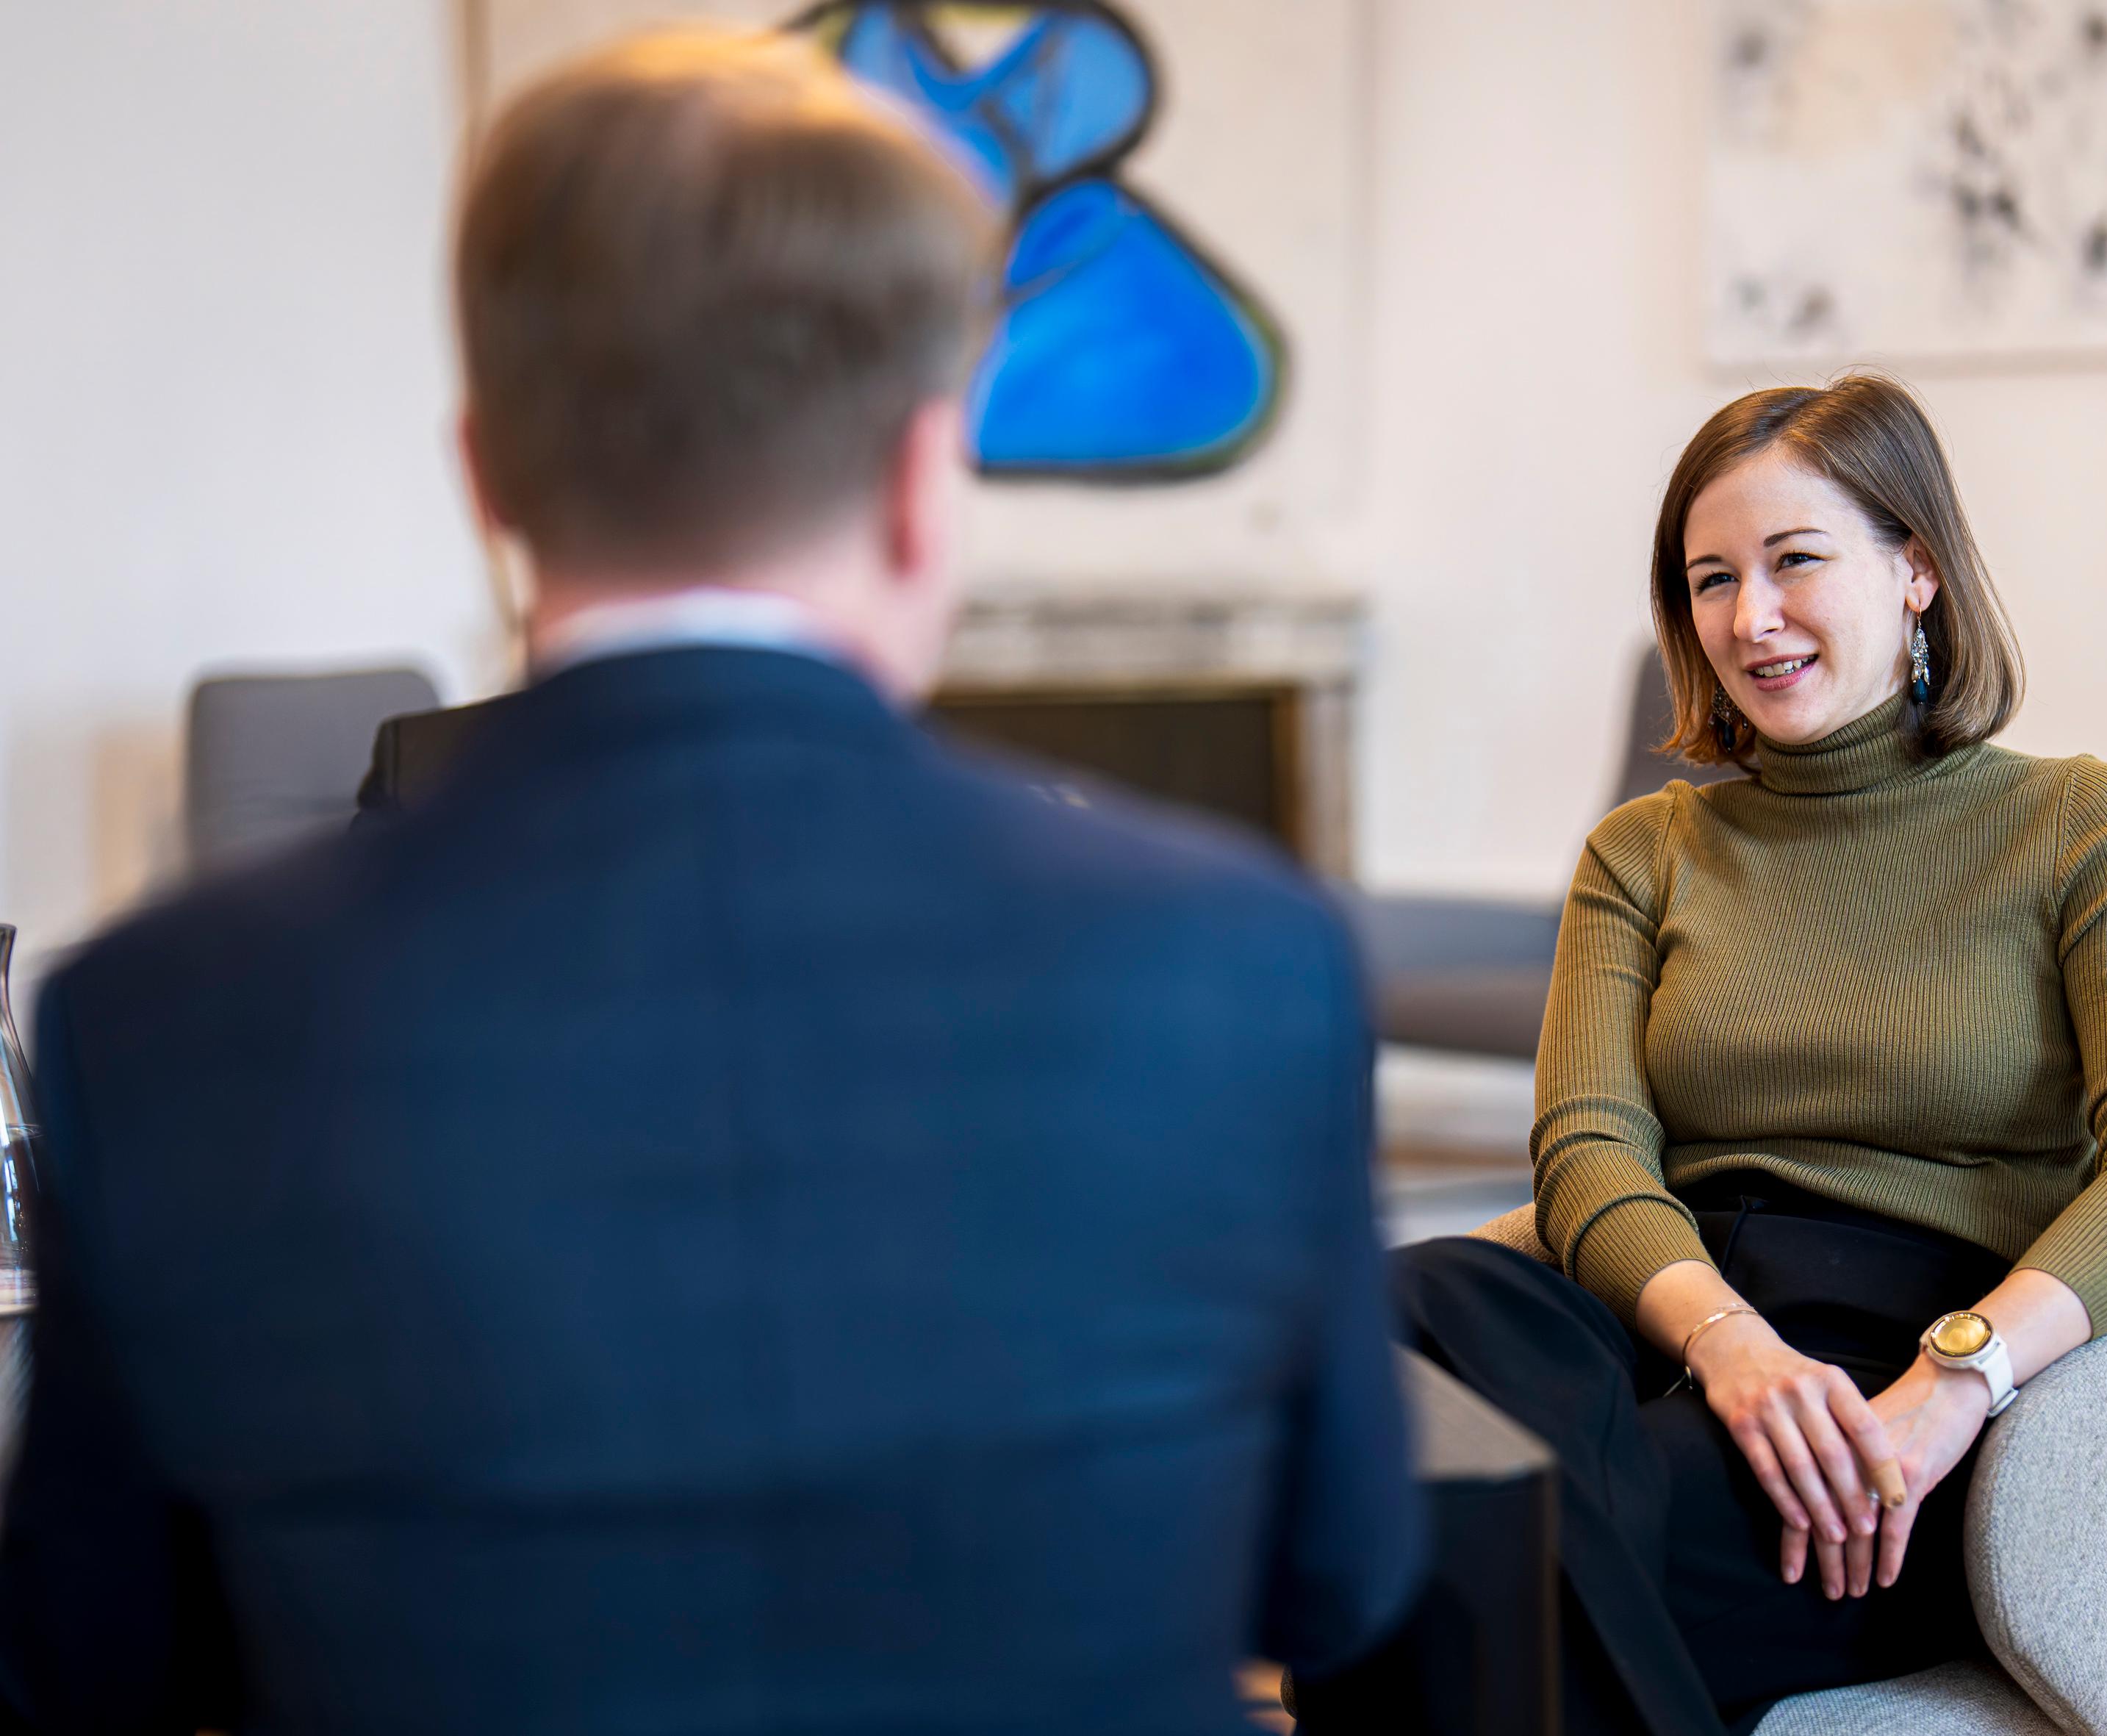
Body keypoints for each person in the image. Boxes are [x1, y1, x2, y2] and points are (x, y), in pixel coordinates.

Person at [0, 29, 1418, 1735]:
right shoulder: (1239, 961)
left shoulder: (154, 1020)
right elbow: (1332, 1582)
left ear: (488, 483)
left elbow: (93, 1662)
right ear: (919, 478)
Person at [1302, 376, 2107, 1734]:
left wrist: (1955, 1380)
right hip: (1659, 1322)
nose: (1752, 618)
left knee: (1424, 1555)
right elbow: (1585, 1152)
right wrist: (1726, 1340)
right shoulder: (1647, 849)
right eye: (1711, 579)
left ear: (1916, 567)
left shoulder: (2082, 825)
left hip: (1882, 1392)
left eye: (1796, 560)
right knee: (1399, 1310)